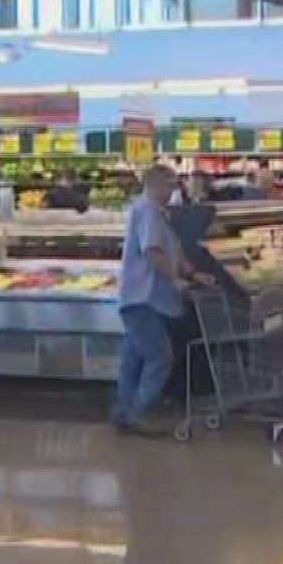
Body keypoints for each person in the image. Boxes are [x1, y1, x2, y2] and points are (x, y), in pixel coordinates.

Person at [113, 165, 211, 436]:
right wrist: (175, 279)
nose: (172, 192)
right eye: (169, 186)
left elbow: (173, 249)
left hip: (143, 298)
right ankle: (138, 413)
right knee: (159, 357)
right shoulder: (148, 211)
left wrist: (193, 273)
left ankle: (124, 413)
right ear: (154, 185)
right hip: (143, 298)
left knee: (133, 360)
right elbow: (153, 251)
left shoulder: (157, 213)